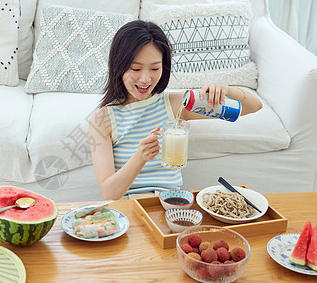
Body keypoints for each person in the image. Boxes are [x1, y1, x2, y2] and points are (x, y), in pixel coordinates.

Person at [88, 20, 263, 200]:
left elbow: (254, 106)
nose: (145, 79)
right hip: (128, 207)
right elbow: (109, 193)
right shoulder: (102, 120)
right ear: (118, 66)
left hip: (171, 205)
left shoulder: (175, 104)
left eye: (155, 68)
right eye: (136, 68)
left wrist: (226, 90)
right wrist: (140, 157)